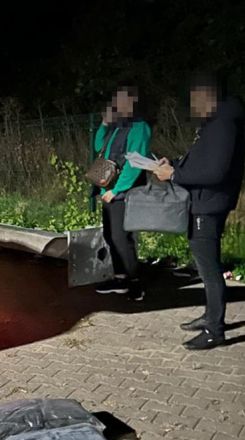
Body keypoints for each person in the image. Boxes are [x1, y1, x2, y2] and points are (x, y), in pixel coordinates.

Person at [154, 72, 245, 351]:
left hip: (209, 204)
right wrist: (176, 163)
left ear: (208, 95)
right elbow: (203, 161)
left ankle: (214, 330)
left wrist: (174, 175)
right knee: (206, 264)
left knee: (209, 267)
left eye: (195, 97)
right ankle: (210, 316)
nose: (193, 103)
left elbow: (215, 171)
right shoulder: (215, 122)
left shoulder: (222, 123)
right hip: (205, 201)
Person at [93, 86, 151, 301]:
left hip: (124, 192)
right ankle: (120, 278)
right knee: (110, 235)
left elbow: (135, 163)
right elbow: (99, 147)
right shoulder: (118, 126)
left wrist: (117, 190)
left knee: (121, 237)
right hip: (108, 189)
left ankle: (135, 283)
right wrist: (104, 124)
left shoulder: (139, 127)